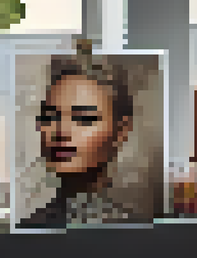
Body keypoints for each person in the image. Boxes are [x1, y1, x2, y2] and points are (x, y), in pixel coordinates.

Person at [21, 55, 138, 227]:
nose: (61, 132)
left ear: (120, 131)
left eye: (84, 119)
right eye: (50, 117)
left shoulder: (136, 232)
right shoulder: (30, 229)